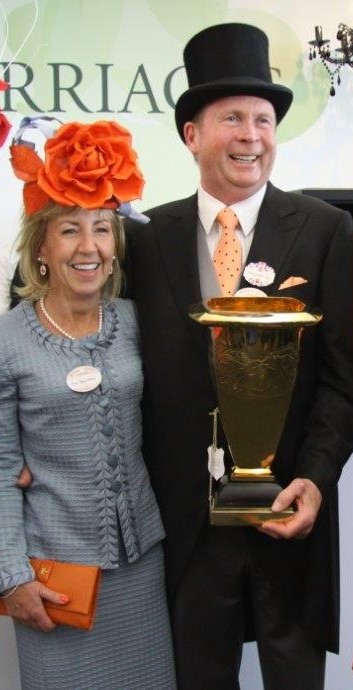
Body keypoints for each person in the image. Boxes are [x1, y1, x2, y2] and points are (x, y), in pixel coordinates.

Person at [124, 23, 353, 690]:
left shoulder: (325, 231)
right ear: (191, 134)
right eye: (231, 118)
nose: (250, 135)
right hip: (183, 523)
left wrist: (314, 476)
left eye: (262, 119)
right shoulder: (143, 239)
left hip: (288, 511)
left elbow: (343, 377)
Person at [0, 117, 177, 690]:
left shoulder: (136, 322)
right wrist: (10, 577)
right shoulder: (8, 341)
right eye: (70, 231)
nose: (89, 247)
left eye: (101, 229)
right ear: (42, 247)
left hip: (142, 569)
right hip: (56, 576)